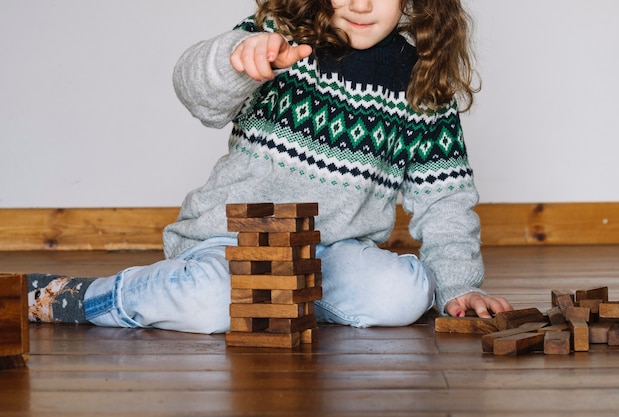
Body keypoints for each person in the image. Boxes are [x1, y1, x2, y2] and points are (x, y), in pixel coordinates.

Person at [28, 0, 512, 333]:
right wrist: (237, 60)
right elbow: (197, 94)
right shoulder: (279, 41)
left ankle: (290, 307)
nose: (362, 6)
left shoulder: (421, 81)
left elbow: (443, 196)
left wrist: (459, 285)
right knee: (212, 303)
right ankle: (88, 297)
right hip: (230, 246)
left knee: (404, 294)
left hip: (332, 256)